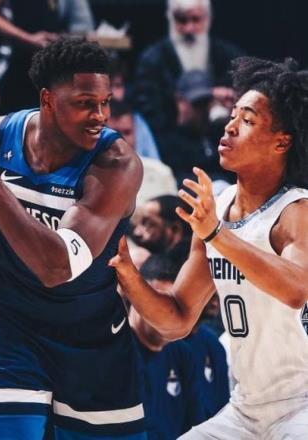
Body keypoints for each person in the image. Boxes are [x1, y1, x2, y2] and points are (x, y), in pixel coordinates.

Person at [0, 38, 145, 439]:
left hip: (90, 341)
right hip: (13, 332)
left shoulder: (116, 164)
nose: (100, 116)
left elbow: (56, 268)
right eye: (86, 103)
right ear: (48, 99)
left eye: (105, 103)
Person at [109, 56, 308, 438]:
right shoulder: (218, 209)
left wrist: (216, 233)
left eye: (247, 121)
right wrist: (129, 275)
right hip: (245, 409)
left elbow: (297, 290)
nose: (229, 126)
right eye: (232, 115)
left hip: (300, 406)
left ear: (282, 141)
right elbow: (179, 319)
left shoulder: (296, 211)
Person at [133, 0, 243, 136]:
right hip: (171, 139)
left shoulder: (230, 56)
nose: (189, 29)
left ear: (208, 18)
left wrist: (230, 99)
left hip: (221, 136)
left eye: (196, 19)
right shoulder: (152, 60)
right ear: (171, 18)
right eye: (181, 20)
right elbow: (148, 111)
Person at [130, 255, 206, 439]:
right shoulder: (114, 348)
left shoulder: (183, 354)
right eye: (156, 303)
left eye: (172, 306)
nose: (164, 314)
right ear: (136, 297)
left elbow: (196, 423)